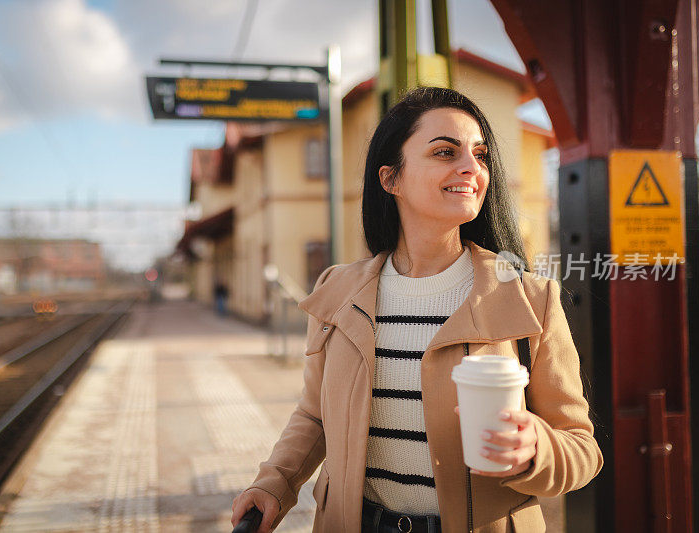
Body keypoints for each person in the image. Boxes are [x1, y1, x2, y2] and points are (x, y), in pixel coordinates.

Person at [231, 87, 603, 533]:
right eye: (445, 152)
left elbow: (581, 447)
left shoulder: (530, 298)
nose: (471, 167)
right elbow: (315, 416)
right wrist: (275, 482)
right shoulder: (338, 291)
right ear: (391, 180)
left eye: (480, 155)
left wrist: (535, 448)